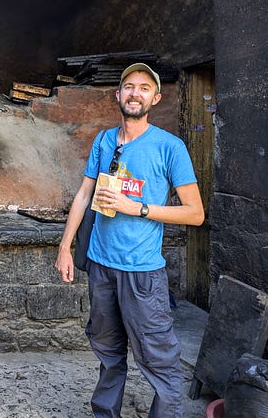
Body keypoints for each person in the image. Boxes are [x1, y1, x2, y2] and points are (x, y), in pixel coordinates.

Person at [55, 63, 204, 417]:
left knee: (160, 363)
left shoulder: (170, 147)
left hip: (142, 273)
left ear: (155, 97)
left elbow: (195, 213)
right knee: (109, 354)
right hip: (101, 268)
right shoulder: (104, 140)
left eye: (143, 87)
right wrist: (64, 248)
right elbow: (83, 195)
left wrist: (136, 208)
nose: (135, 93)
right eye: (128, 86)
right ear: (117, 95)